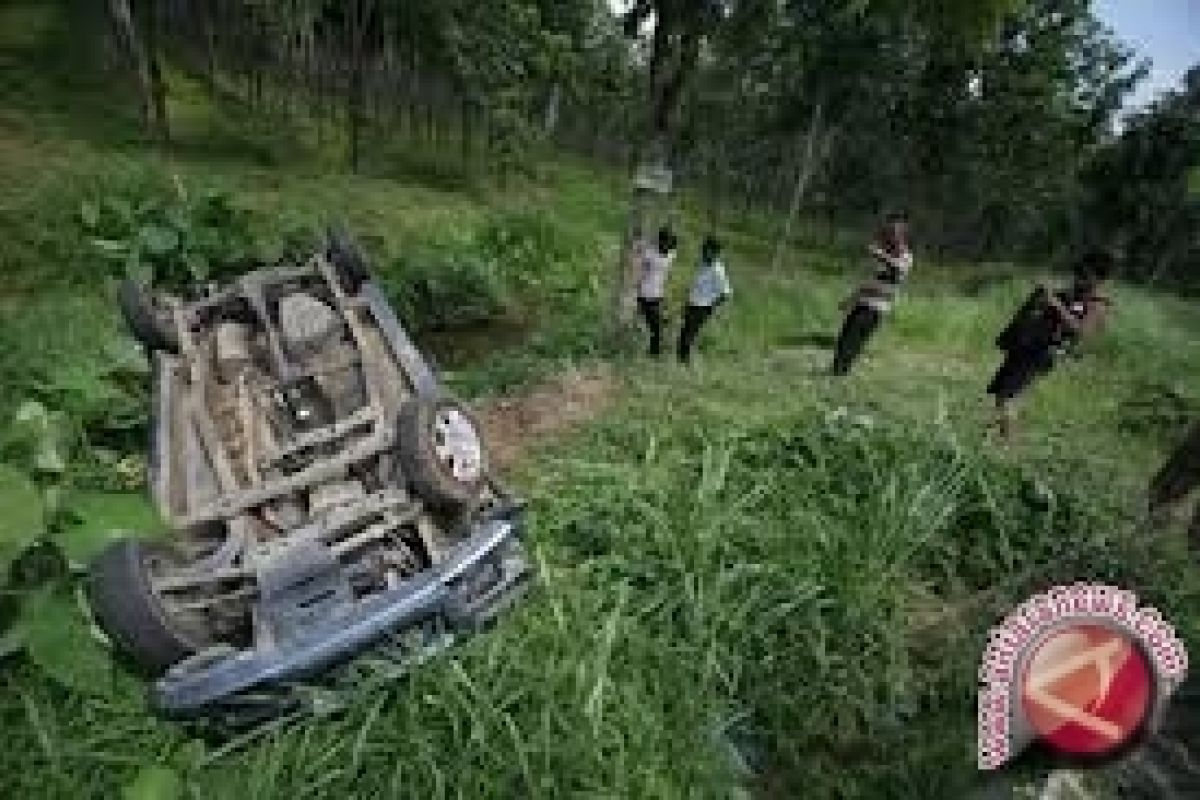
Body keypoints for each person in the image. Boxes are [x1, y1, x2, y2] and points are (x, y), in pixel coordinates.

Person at [987, 249, 1115, 441]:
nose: (1078, 277)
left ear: (1098, 279)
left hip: (1044, 352)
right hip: (1028, 345)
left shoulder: (1098, 304)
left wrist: (1056, 304)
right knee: (1002, 394)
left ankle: (1009, 445)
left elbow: (1083, 331)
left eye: (1084, 274)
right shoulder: (1071, 295)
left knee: (1009, 397)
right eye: (1077, 271)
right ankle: (1001, 438)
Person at [831, 213, 914, 375]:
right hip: (863, 302)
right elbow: (869, 282)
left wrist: (879, 254)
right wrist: (850, 299)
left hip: (877, 307)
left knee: (854, 339)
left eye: (896, 232)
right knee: (844, 337)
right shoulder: (882, 257)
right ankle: (837, 370)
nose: (892, 235)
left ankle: (840, 372)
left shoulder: (906, 257)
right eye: (890, 231)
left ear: (903, 234)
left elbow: (898, 270)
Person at [677, 236, 731, 364]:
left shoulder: (718, 271)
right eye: (703, 249)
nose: (703, 252)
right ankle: (680, 358)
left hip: (702, 307)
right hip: (692, 302)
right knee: (684, 331)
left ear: (715, 252)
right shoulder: (703, 263)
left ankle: (684, 361)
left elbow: (725, 293)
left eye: (707, 250)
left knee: (689, 334)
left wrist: (710, 307)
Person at [636, 226, 677, 357]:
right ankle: (654, 353)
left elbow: (674, 249)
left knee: (656, 326)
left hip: (658, 295)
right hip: (645, 294)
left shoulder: (671, 255)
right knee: (656, 327)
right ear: (660, 241)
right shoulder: (650, 254)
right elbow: (640, 266)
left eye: (669, 244)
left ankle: (654, 351)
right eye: (664, 243)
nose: (666, 246)